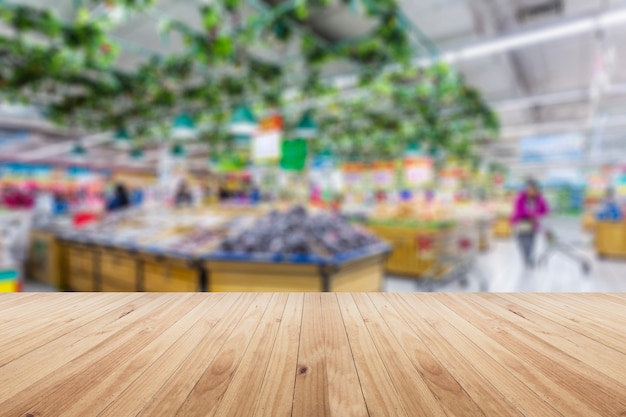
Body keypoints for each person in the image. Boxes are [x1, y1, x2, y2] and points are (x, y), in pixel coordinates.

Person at [511, 179, 549, 268]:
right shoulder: (520, 198)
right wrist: (530, 214)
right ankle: (526, 257)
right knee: (522, 241)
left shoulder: (539, 198)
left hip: (533, 223)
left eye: (533, 189)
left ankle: (529, 257)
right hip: (521, 222)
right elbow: (518, 210)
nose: (531, 191)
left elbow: (545, 210)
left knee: (531, 242)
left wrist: (537, 215)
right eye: (529, 189)